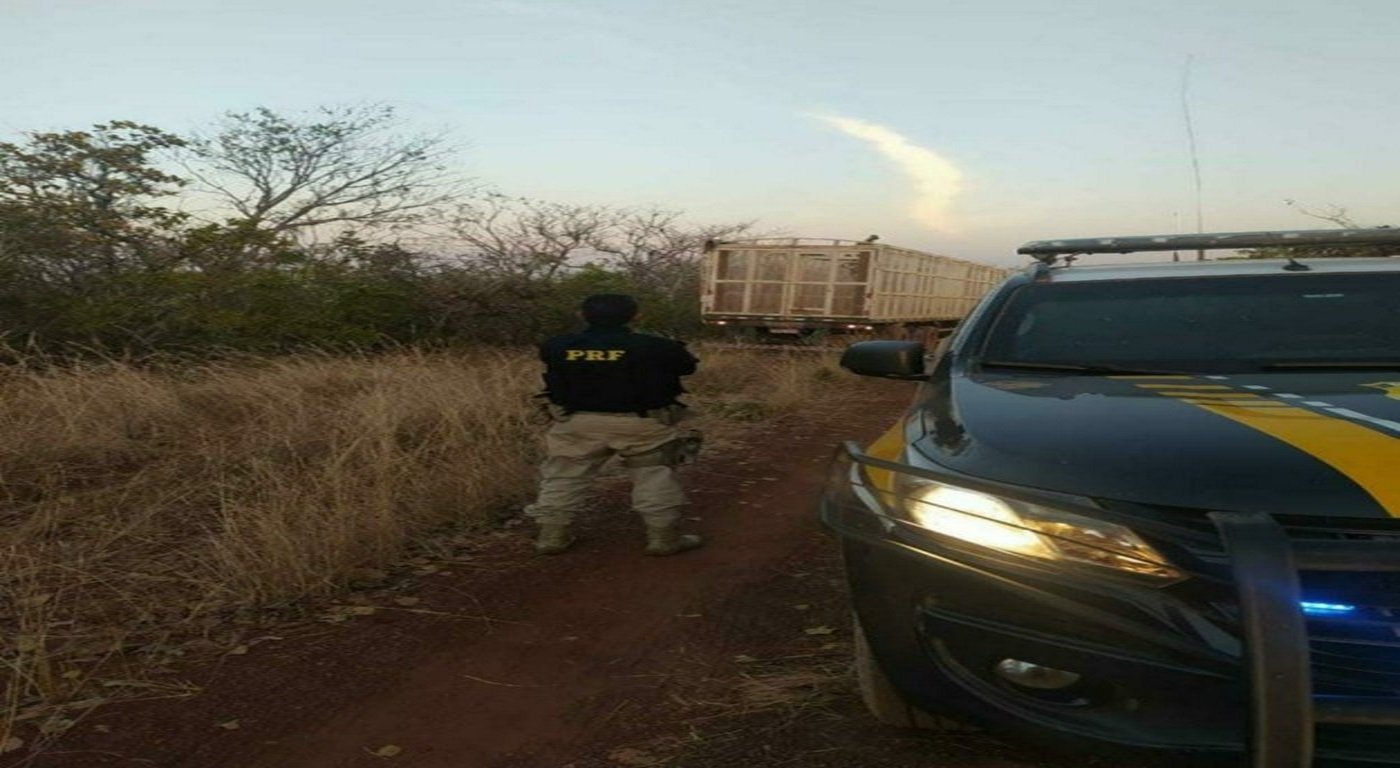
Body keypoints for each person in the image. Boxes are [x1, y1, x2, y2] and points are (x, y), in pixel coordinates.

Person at [525, 293, 703, 556]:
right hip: (643, 424)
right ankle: (664, 539)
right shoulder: (657, 346)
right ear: (636, 316)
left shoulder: (556, 346)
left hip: (576, 423)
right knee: (652, 476)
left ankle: (552, 536)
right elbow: (687, 368)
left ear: (581, 314)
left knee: (563, 477)